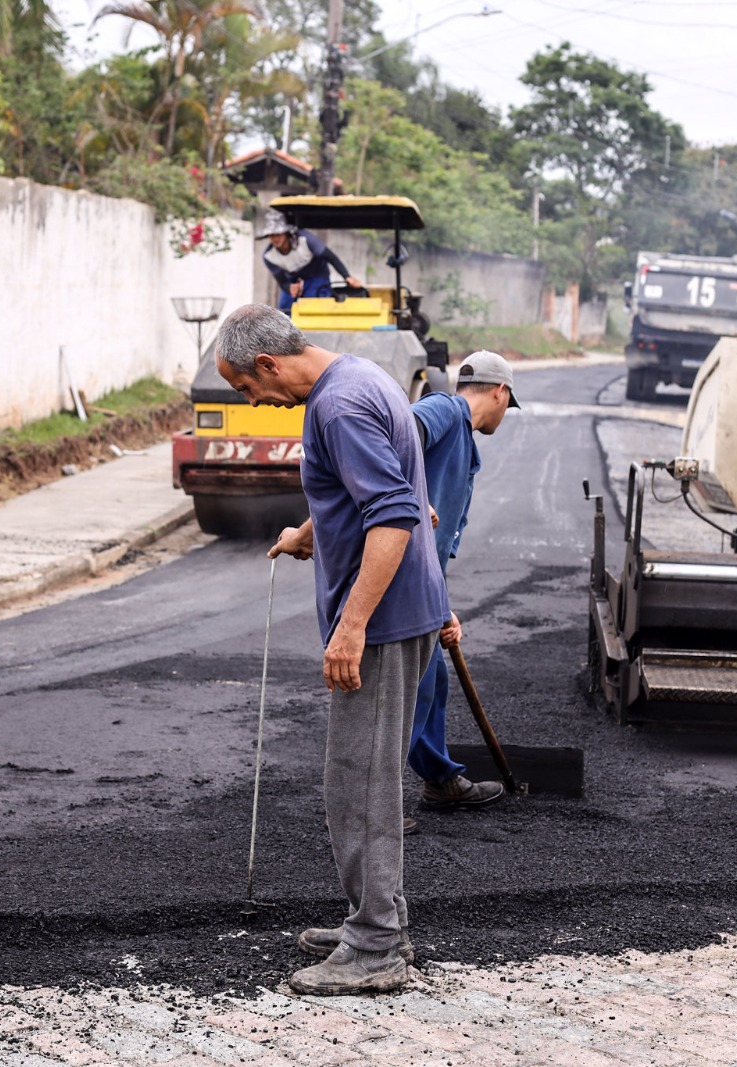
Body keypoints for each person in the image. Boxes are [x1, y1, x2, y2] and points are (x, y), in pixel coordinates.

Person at [213, 304, 447, 996]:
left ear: (267, 364)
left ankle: (376, 944)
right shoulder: (360, 380)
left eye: (248, 390)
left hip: (384, 622)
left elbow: (398, 515)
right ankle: (376, 917)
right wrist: (309, 532)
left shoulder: (338, 406)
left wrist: (352, 626)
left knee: (360, 783)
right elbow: (380, 491)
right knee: (362, 775)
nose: (256, 404)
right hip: (405, 614)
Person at [407, 352, 519, 821]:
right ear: (500, 392)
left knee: (432, 678)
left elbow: (437, 548)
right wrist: (405, 497)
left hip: (422, 581)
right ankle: (371, 807)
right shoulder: (444, 410)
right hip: (397, 575)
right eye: (507, 403)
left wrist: (443, 607)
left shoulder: (463, 444)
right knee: (398, 689)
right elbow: (399, 430)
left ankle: (440, 782)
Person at [259, 210, 362, 312]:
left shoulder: (305, 240)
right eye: (272, 235)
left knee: (313, 304)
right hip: (294, 280)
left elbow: (330, 257)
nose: (276, 239)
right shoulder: (269, 256)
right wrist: (290, 288)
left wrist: (347, 276)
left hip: (317, 275)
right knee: (284, 309)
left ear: (286, 233)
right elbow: (281, 280)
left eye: (279, 234)